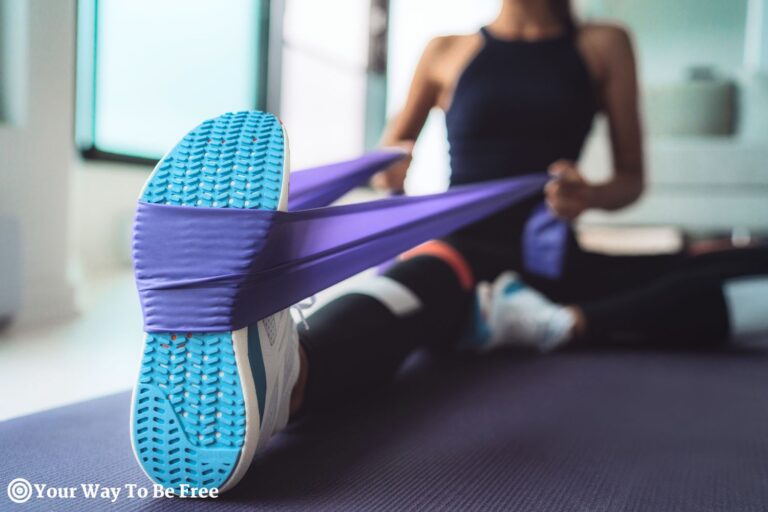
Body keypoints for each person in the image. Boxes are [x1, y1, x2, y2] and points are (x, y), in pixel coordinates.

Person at [131, 0, 768, 493]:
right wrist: (390, 168)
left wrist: (588, 195)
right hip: (463, 238)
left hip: (552, 254)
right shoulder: (447, 51)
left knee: (722, 265)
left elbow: (631, 179)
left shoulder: (603, 44)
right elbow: (391, 154)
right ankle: (290, 377)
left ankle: (550, 321)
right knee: (418, 287)